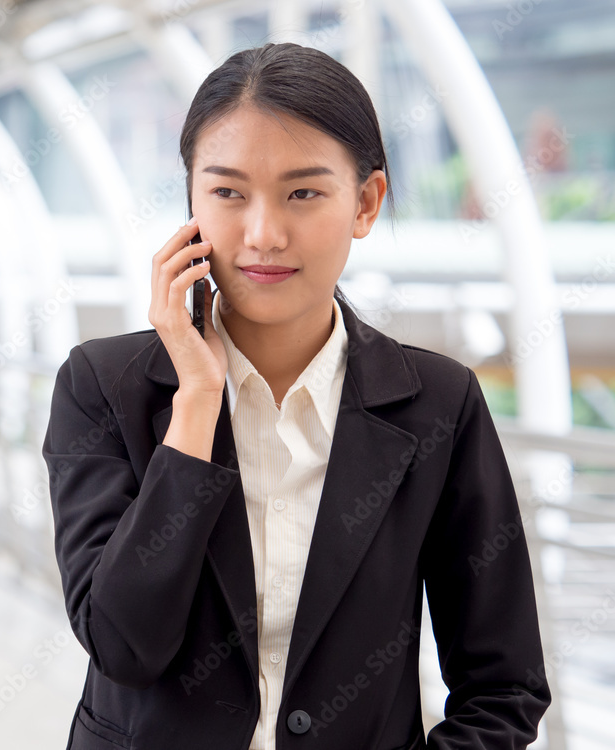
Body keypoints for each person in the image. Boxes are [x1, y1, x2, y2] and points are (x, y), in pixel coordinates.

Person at [41, 42, 550, 750]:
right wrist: (195, 405)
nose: (263, 235)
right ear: (190, 200)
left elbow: (503, 685)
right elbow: (125, 646)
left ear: (366, 202)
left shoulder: (437, 404)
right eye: (227, 192)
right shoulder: (105, 387)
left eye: (303, 192)